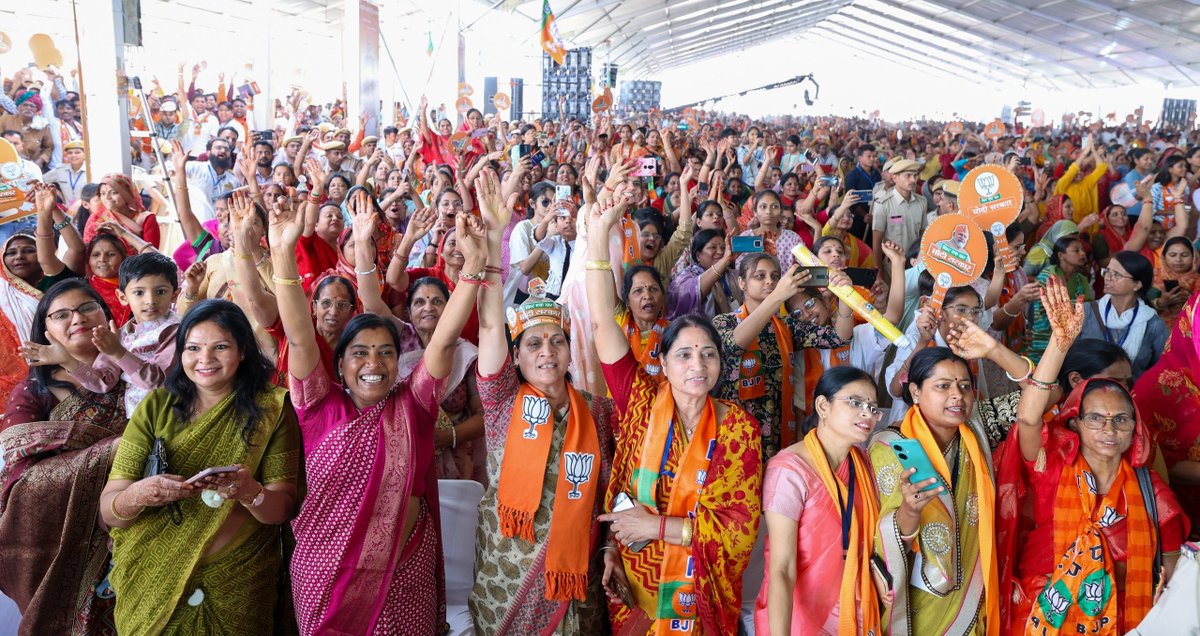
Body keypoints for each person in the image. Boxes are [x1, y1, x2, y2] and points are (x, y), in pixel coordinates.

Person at [272, 190, 485, 633]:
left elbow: (443, 341)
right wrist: (281, 253)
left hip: (406, 571)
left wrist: (473, 271)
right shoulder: (317, 403)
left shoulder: (414, 403)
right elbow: (298, 335)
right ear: (340, 363)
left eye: (386, 353)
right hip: (325, 573)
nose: (373, 364)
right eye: (360, 353)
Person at [587, 187, 762, 635]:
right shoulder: (641, 398)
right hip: (635, 583)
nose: (697, 365)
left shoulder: (738, 427)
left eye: (708, 354)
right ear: (662, 363)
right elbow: (603, 322)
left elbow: (739, 531)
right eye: (683, 355)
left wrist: (657, 526)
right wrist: (598, 238)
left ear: (721, 363)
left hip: (699, 592)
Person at [466, 168, 616, 632]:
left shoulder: (598, 409)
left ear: (571, 349)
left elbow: (611, 494)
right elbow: (491, 324)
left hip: (579, 578)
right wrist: (493, 240)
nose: (547, 352)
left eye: (557, 341)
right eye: (533, 344)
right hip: (506, 582)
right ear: (517, 355)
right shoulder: (500, 400)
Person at [997, 276, 1189, 634]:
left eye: (1120, 420)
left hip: (1125, 619)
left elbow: (1170, 565)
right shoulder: (1050, 463)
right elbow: (1028, 416)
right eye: (1096, 418)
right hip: (1043, 616)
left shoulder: (1151, 489)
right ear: (1076, 422)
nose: (1109, 429)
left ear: (1136, 427)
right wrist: (1060, 342)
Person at [99, 299, 300, 634]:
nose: (204, 359)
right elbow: (110, 509)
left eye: (220, 347)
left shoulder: (272, 409)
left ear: (243, 351)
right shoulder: (158, 406)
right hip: (152, 573)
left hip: (237, 578)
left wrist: (251, 493)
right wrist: (138, 495)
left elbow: (281, 508)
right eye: (193, 348)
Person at [1, 280, 127, 635]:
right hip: (63, 540)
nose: (77, 319)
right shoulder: (34, 390)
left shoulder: (137, 375)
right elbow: (21, 481)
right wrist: (114, 450)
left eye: (88, 307)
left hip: (136, 521)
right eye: (62, 314)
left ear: (106, 314)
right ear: (46, 330)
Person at [869, 346, 999, 636]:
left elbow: (1043, 395)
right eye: (943, 386)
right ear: (915, 391)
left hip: (970, 590)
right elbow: (879, 536)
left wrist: (993, 349)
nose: (957, 395)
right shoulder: (890, 447)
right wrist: (910, 510)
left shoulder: (979, 433)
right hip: (912, 599)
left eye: (965, 386)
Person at [754, 366, 883, 635]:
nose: (866, 414)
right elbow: (782, 568)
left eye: (873, 407)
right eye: (855, 402)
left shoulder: (864, 464)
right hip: (798, 617)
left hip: (854, 611)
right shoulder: (789, 470)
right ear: (823, 406)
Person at [712, 253, 850, 459]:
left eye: (775, 276)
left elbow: (840, 337)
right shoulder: (724, 322)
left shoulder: (787, 326)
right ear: (742, 283)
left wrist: (845, 293)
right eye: (760, 276)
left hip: (778, 432)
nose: (769, 281)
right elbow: (734, 344)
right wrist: (777, 295)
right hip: (736, 430)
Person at [1077, 251, 1166, 380]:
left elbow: (1161, 368)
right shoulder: (1086, 311)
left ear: (1137, 285)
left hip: (1131, 395)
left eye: (1116, 274)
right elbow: (1069, 356)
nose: (1107, 277)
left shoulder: (1151, 322)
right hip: (1088, 392)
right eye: (1107, 271)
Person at [1028, 235, 1093, 362]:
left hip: (1071, 341)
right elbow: (1039, 312)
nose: (1082, 253)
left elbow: (1088, 308)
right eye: (1076, 250)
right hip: (1043, 340)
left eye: (1082, 250)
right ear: (1061, 255)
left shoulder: (1081, 280)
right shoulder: (1047, 277)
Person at [666, 228, 736, 318]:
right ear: (698, 255)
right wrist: (725, 260)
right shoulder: (687, 277)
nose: (720, 252)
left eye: (723, 247)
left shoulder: (731, 275)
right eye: (713, 247)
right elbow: (690, 295)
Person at [1152, 236, 1199, 326]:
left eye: (1184, 255)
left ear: (1194, 257)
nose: (1178, 260)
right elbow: (1135, 306)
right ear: (1164, 257)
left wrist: (1192, 303)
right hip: (1158, 332)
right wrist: (1160, 303)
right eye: (1172, 255)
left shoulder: (1198, 281)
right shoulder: (1152, 277)